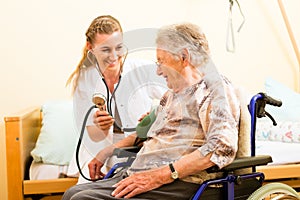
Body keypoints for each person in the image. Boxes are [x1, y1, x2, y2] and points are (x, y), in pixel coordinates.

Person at [62, 22, 240, 199]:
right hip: (142, 174)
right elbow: (149, 135)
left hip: (180, 182)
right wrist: (107, 150)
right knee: (73, 193)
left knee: (82, 199)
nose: (157, 71)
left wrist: (160, 175)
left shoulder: (214, 90)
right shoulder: (171, 96)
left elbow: (220, 147)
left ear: (184, 57)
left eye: (161, 61)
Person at [66, 15, 167, 184]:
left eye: (118, 47)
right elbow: (95, 136)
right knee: (86, 189)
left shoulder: (141, 70)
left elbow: (176, 97)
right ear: (90, 48)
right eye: (106, 50)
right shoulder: (84, 79)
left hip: (136, 144)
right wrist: (101, 127)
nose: (114, 56)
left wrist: (156, 115)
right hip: (98, 147)